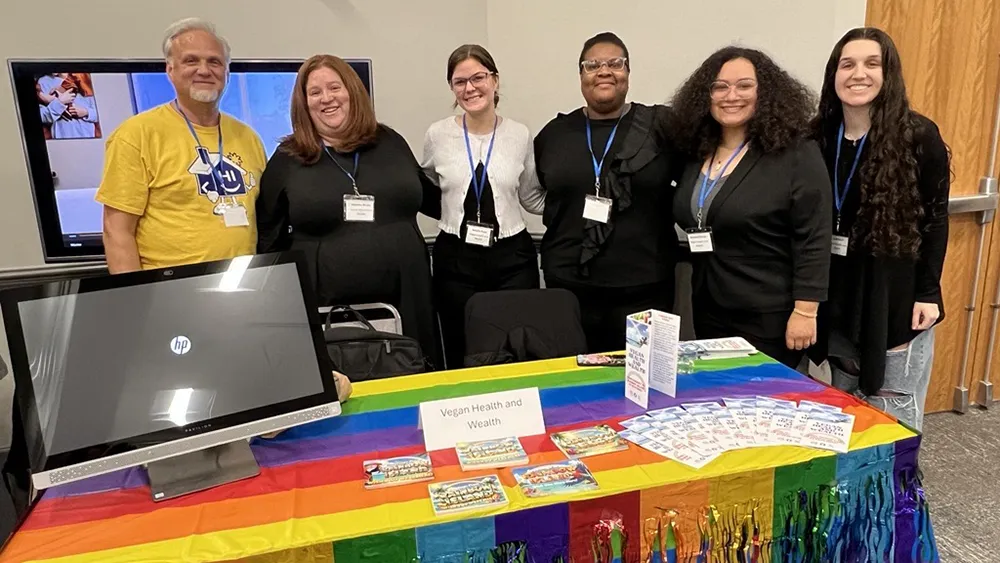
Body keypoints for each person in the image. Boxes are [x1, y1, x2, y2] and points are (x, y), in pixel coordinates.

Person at [256, 54, 443, 370]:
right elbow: (268, 235)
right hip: (326, 306)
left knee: (411, 381)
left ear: (352, 91)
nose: (326, 98)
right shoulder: (288, 157)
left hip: (407, 295)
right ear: (304, 103)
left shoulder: (389, 141)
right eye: (314, 92)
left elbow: (432, 200)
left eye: (334, 87)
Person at [811, 28, 949, 430]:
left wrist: (928, 291)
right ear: (833, 73)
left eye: (872, 64)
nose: (859, 74)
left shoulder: (918, 136)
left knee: (892, 413)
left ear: (889, 74)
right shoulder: (818, 135)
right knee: (843, 406)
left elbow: (935, 219)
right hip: (838, 289)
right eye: (847, 64)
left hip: (894, 292)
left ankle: (896, 485)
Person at [669, 46, 832, 369]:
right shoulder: (695, 151)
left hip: (769, 314)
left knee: (765, 409)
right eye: (720, 86)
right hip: (709, 307)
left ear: (766, 93)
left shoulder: (796, 154)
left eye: (744, 85)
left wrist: (806, 312)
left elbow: (814, 237)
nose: (731, 96)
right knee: (717, 400)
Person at [528, 32, 679, 353]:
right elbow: (534, 193)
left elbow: (696, 182)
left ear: (628, 72)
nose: (604, 71)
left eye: (615, 63)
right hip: (569, 286)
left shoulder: (661, 127)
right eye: (592, 65)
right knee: (576, 384)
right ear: (581, 76)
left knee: (645, 385)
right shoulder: (554, 134)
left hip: (645, 286)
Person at [96, 18, 265, 273]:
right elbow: (117, 232)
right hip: (171, 292)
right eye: (191, 60)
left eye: (214, 62)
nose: (204, 70)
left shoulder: (248, 138)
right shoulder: (136, 135)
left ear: (227, 74)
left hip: (242, 288)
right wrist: (134, 299)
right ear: (170, 70)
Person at [421, 44, 540, 368]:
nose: (470, 88)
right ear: (451, 87)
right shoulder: (438, 135)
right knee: (462, 348)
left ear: (495, 81)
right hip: (455, 259)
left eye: (478, 77)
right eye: (460, 81)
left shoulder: (519, 134)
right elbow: (429, 185)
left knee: (516, 346)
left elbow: (529, 194)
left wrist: (571, 209)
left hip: (512, 258)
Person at [37, 73, 100, 139]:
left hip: (87, 136)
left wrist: (86, 112)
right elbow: (41, 116)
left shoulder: (86, 79)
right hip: (61, 136)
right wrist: (58, 103)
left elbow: (103, 113)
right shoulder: (43, 82)